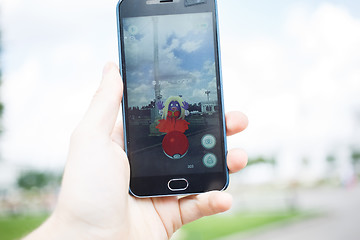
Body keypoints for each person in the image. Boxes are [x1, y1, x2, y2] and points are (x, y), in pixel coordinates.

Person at [24, 63, 248, 240]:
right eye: (170, 106)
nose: (172, 108)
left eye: (175, 106)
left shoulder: (185, 119)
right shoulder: (161, 119)